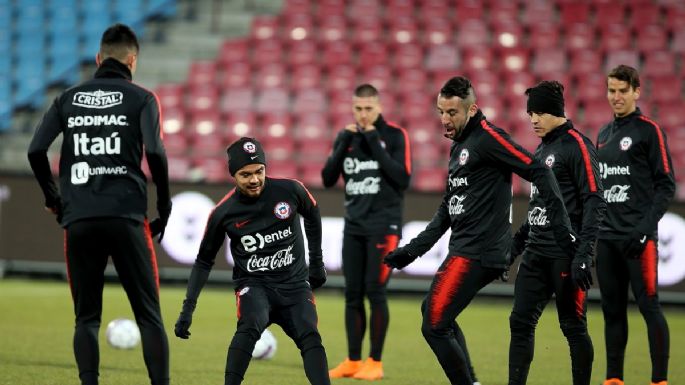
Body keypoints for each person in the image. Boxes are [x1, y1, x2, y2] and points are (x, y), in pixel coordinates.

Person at [383, 76, 577, 385]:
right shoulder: (459, 144)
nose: (445, 119)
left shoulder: (488, 137)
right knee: (433, 315)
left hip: (480, 251)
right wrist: (413, 250)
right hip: (465, 249)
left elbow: (537, 170)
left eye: (452, 113)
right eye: (440, 111)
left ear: (472, 109)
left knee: (434, 324)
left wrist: (562, 226)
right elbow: (449, 207)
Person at [27, 23, 171, 385]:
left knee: (86, 319)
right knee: (149, 317)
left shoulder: (67, 99)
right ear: (132, 59)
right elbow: (154, 150)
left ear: (98, 58)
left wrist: (54, 199)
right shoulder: (142, 98)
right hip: (126, 216)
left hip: (80, 218)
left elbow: (35, 150)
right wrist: (164, 206)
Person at [174, 137, 330, 385]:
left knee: (310, 334)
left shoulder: (290, 190)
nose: (255, 179)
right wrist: (187, 310)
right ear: (234, 175)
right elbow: (204, 261)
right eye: (245, 174)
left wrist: (317, 262)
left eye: (259, 171)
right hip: (254, 285)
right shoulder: (223, 213)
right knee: (250, 324)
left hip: (294, 284)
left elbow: (312, 213)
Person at [507, 81, 606, 385]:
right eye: (529, 113)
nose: (532, 119)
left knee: (573, 327)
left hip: (565, 255)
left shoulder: (578, 146)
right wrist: (516, 245)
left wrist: (584, 254)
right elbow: (540, 205)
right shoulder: (542, 148)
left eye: (538, 112)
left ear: (556, 111)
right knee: (520, 322)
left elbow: (594, 199)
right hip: (536, 253)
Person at [321, 84, 411, 380]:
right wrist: (344, 139)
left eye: (368, 108)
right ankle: (352, 360)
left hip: (383, 227)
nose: (362, 114)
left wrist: (373, 139)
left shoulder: (395, 136)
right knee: (352, 295)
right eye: (358, 108)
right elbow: (327, 177)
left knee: (375, 291)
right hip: (354, 226)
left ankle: (375, 361)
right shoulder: (347, 137)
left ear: (379, 107)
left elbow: (401, 178)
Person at [595, 65, 675, 385]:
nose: (616, 97)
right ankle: (614, 379)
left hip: (639, 239)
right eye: (611, 90)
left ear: (636, 91)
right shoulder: (602, 134)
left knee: (648, 306)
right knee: (612, 311)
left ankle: (659, 381)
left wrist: (644, 230)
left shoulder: (649, 131)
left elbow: (666, 185)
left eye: (622, 91)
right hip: (607, 238)